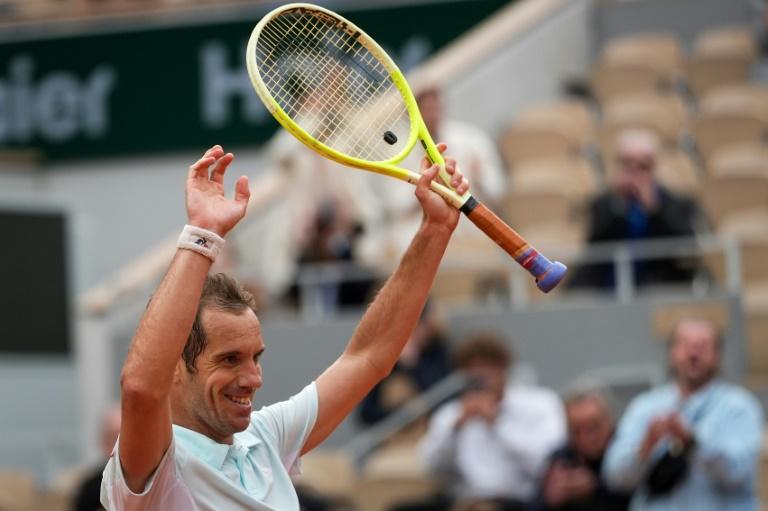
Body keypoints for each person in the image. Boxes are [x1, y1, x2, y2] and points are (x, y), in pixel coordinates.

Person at [100, 142, 470, 510]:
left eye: (255, 358)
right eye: (230, 359)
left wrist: (435, 229)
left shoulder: (265, 436)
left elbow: (369, 356)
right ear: (175, 368)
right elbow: (141, 388)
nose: (253, 378)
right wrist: (204, 233)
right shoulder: (156, 465)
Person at [603, 317, 764, 511]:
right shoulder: (644, 407)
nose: (693, 354)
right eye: (685, 345)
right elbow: (615, 477)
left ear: (718, 355)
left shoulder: (740, 407)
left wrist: (692, 442)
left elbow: (738, 471)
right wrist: (646, 446)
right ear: (671, 352)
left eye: (703, 346)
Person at [418, 333, 565, 511]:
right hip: (464, 500)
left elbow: (545, 463)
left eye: (486, 367)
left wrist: (497, 424)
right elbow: (432, 469)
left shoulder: (540, 403)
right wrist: (456, 429)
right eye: (470, 369)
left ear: (503, 367)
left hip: (520, 500)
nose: (479, 375)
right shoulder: (450, 414)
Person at [568, 129, 704, 290]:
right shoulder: (604, 204)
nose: (634, 173)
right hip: (608, 288)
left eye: (643, 166)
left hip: (657, 287)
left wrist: (653, 209)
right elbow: (595, 250)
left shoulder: (676, 204)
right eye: (626, 164)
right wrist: (618, 204)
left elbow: (686, 248)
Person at [532, 383, 630, 511]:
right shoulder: (561, 461)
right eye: (576, 431)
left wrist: (595, 491)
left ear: (610, 420)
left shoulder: (627, 453)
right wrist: (549, 499)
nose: (585, 439)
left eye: (593, 428)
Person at [358, 302, 453, 426]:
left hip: (430, 429)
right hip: (394, 432)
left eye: (419, 323)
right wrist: (402, 413)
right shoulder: (383, 358)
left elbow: (444, 399)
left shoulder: (437, 351)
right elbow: (366, 413)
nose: (412, 331)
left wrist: (413, 365)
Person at [73, 406, 121, 511]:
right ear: (103, 442)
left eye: (123, 438)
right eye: (113, 438)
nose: (118, 446)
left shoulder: (154, 485)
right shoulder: (89, 490)